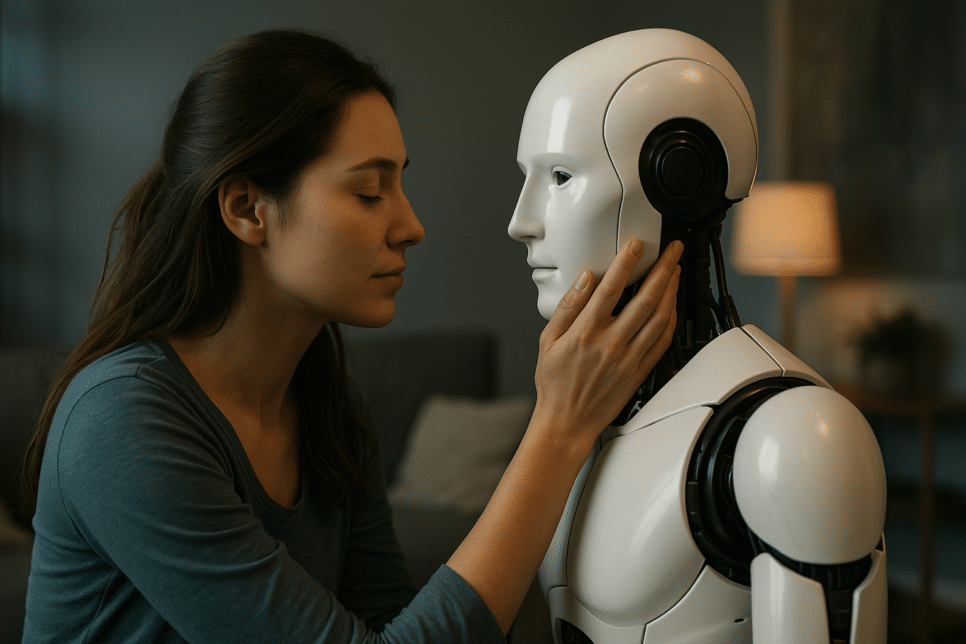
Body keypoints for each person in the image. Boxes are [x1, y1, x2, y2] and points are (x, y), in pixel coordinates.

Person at [20, 28, 682, 643]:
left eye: (400, 185)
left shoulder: (326, 403)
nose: (410, 225)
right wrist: (558, 430)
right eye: (369, 193)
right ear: (248, 209)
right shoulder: (121, 419)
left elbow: (394, 621)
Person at [508, 29, 887, 644]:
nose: (520, 222)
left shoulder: (793, 437)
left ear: (678, 174)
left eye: (558, 176)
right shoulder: (585, 404)